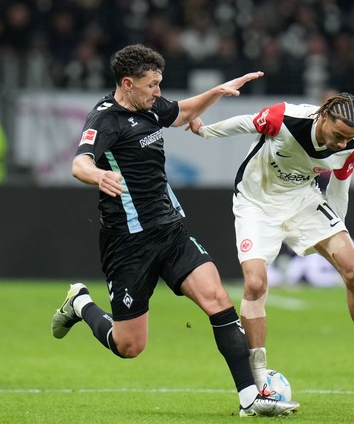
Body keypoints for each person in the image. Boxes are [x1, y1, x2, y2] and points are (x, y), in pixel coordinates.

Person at [51, 44, 300, 418]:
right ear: (127, 83)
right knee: (129, 346)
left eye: (160, 84)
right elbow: (79, 163)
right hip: (128, 244)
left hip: (170, 231)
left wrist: (216, 92)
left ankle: (251, 398)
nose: (158, 92)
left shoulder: (149, 106)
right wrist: (99, 174)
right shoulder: (105, 119)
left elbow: (182, 112)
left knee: (217, 298)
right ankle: (80, 303)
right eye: (152, 85)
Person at [187, 92, 354, 396]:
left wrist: (336, 231)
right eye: (339, 134)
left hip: (303, 202)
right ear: (324, 117)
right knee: (255, 284)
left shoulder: (351, 146)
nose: (343, 143)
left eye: (350, 136)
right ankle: (259, 380)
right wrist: (204, 130)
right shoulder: (286, 118)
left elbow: (338, 189)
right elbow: (245, 123)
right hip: (256, 204)